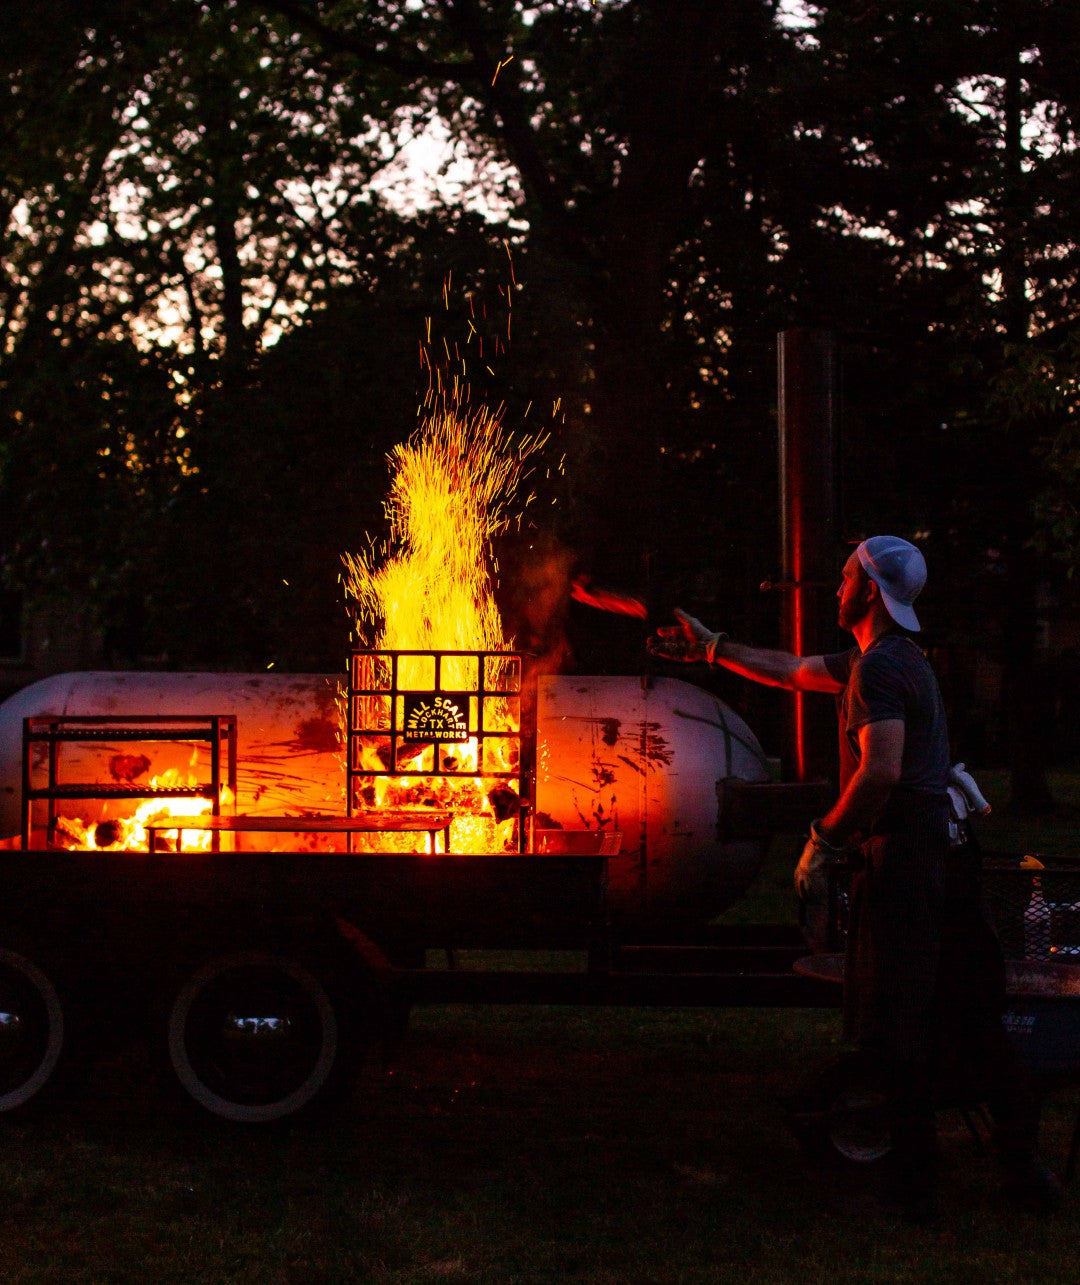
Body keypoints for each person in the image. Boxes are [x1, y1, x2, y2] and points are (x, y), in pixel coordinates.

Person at [648, 535, 1062, 1221]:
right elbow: (794, 670)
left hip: (908, 864)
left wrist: (823, 840)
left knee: (899, 1025)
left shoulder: (878, 671)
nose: (834, 590)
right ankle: (1026, 1173)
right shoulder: (891, 658)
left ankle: (916, 1188)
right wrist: (713, 646)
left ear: (869, 590)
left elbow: (881, 769)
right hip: (949, 856)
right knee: (973, 1016)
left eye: (843, 579)